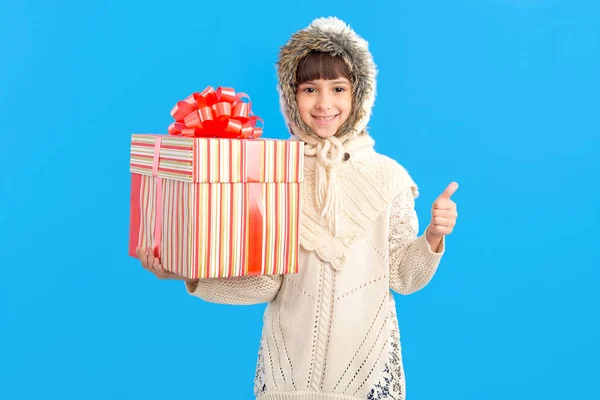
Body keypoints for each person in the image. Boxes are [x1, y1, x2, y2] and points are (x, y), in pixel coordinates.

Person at [136, 17, 458, 400]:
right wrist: (187, 275)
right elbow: (267, 281)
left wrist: (433, 237)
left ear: (359, 95)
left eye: (338, 88)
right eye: (310, 89)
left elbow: (405, 277)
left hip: (366, 376)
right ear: (292, 96)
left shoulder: (389, 178)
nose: (324, 104)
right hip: (286, 378)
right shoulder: (272, 171)